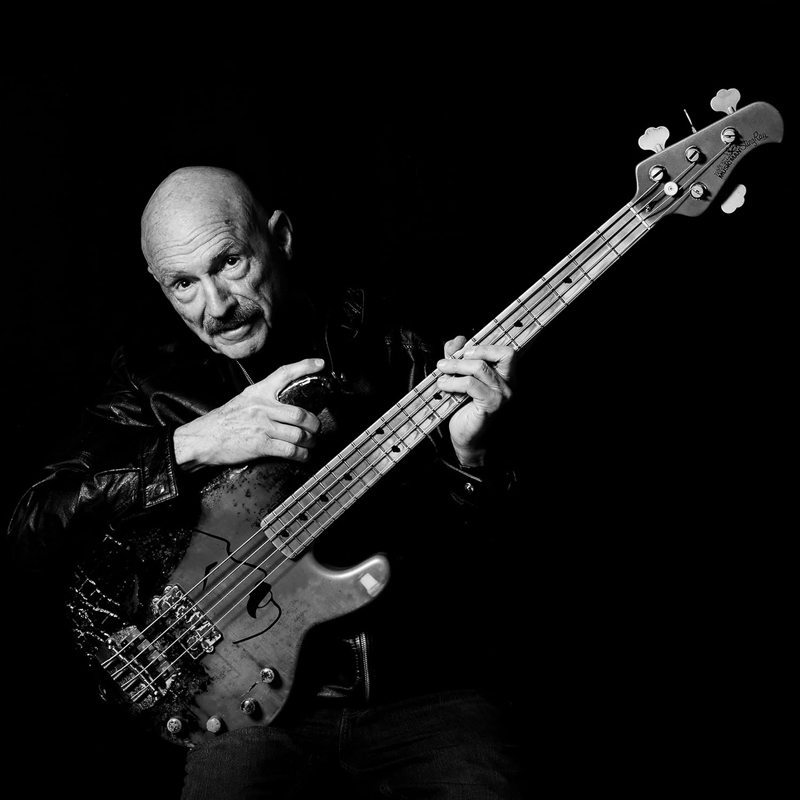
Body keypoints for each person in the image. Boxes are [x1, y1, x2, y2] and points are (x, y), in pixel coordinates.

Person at [8, 166, 524, 799]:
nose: (216, 306)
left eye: (229, 262)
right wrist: (195, 442)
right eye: (183, 285)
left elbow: (499, 558)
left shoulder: (387, 337)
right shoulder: (149, 376)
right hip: (247, 705)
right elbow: (34, 525)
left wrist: (474, 456)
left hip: (422, 688)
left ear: (278, 237)